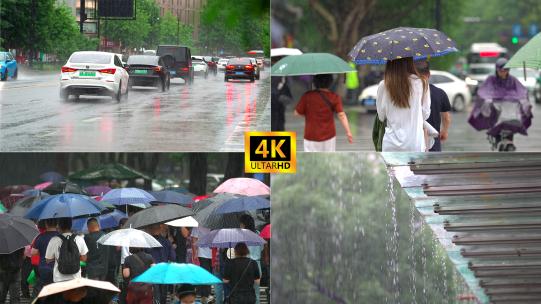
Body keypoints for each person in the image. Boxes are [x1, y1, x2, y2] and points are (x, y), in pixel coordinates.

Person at [469, 57, 532, 151]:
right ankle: (496, 137)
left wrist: (523, 100)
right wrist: (487, 99)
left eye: (505, 70)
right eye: (501, 70)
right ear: (497, 70)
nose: (503, 72)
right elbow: (484, 90)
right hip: (496, 109)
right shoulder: (491, 79)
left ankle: (509, 140)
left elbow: (521, 91)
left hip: (510, 109)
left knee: (513, 122)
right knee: (495, 120)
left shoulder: (513, 80)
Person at [376, 57, 431, 152]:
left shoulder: (383, 85)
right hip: (415, 144)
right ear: (410, 62)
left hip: (391, 144)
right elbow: (425, 114)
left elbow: (381, 116)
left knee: (392, 167)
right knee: (413, 167)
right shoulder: (422, 83)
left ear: (390, 64)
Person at [294, 74, 353, 151]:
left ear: (315, 82)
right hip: (329, 136)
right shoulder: (334, 97)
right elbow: (341, 115)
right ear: (330, 82)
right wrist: (348, 132)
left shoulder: (307, 96)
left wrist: (310, 114)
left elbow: (296, 113)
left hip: (311, 136)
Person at [415, 60, 452, 152]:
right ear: (429, 74)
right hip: (434, 140)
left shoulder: (408, 94)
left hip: (413, 141)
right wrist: (444, 131)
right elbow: (446, 117)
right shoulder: (439, 93)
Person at [45, 217, 89, 283]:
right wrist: (73, 257)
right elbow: (84, 258)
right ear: (71, 225)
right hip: (75, 278)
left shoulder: (54, 240)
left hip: (59, 278)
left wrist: (60, 257)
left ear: (59, 226)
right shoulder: (79, 239)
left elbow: (48, 260)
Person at [146, 224, 175, 304]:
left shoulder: (147, 243)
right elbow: (173, 257)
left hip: (152, 269)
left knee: (155, 290)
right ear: (160, 229)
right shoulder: (167, 242)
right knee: (163, 290)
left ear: (150, 230)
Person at [31, 219, 59, 295]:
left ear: (46, 224)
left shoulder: (40, 237)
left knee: (41, 290)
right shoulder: (61, 236)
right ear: (57, 225)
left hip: (44, 267)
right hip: (58, 269)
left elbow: (33, 252)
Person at [239, 215, 262, 304]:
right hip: (257, 264)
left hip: (245, 265)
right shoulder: (258, 233)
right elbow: (262, 248)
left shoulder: (242, 235)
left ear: (244, 224)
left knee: (244, 292)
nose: (240, 226)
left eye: (241, 224)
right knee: (256, 293)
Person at [191, 227, 214, 304]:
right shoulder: (198, 226)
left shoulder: (214, 225)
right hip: (202, 253)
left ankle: (205, 293)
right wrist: (195, 253)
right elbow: (194, 239)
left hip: (213, 253)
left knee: (209, 273)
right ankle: (205, 294)